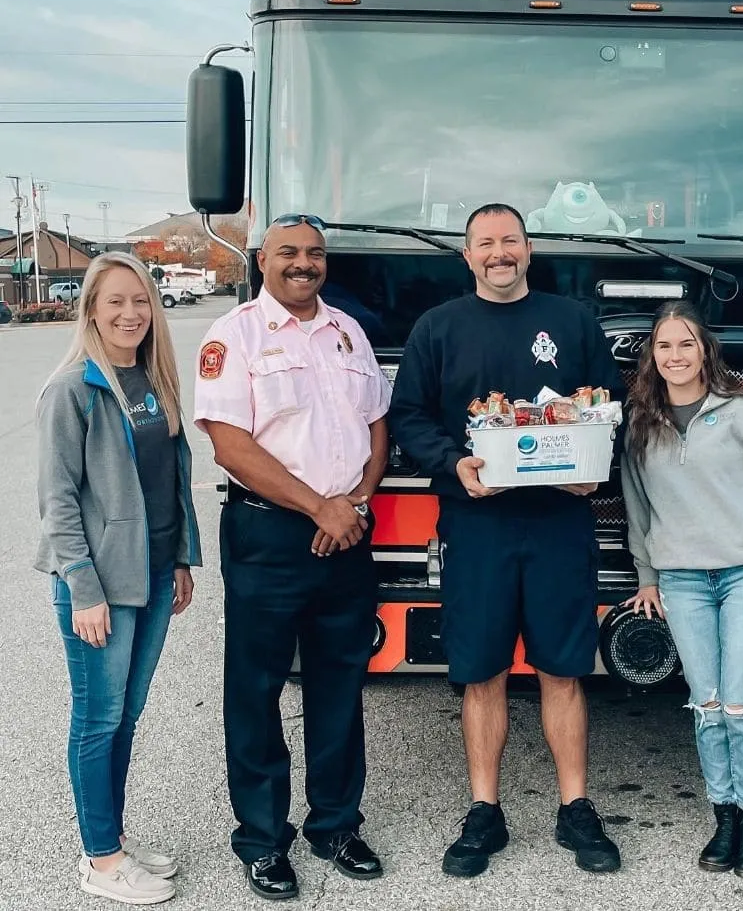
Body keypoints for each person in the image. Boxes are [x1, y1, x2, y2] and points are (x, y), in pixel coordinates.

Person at [389, 202, 626, 878]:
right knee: (481, 670)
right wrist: (452, 462)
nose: (500, 253)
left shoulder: (573, 321)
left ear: (529, 249)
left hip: (559, 523)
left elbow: (607, 406)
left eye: (511, 241)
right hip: (477, 525)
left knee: (563, 669)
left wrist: (594, 470)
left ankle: (575, 807)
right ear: (467, 256)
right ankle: (484, 810)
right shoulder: (438, 328)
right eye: (486, 243)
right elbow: (408, 415)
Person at [193, 214, 391, 901]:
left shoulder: (348, 331)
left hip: (346, 534)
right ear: (261, 260)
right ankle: (261, 840)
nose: (303, 263)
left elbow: (377, 423)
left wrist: (356, 503)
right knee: (256, 690)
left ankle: (335, 825)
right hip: (271, 536)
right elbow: (230, 444)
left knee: (341, 684)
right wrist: (319, 507)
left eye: (314, 253)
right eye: (288, 252)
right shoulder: (234, 336)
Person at [620, 300, 743, 880]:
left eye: (686, 344)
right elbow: (637, 505)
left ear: (705, 351)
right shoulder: (641, 423)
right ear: (652, 357)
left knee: (741, 704)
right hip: (681, 580)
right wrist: (647, 577)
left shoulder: (742, 411)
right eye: (664, 346)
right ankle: (724, 817)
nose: (675, 356)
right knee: (706, 705)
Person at [35, 252, 202, 906]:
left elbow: (171, 482)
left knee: (126, 716)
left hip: (154, 573)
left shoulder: (153, 381)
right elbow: (57, 501)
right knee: (97, 719)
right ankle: (100, 862)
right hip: (100, 585)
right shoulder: (72, 389)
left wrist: (181, 558)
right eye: (115, 301)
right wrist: (82, 587)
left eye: (140, 301)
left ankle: (114, 840)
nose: (130, 313)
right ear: (91, 310)